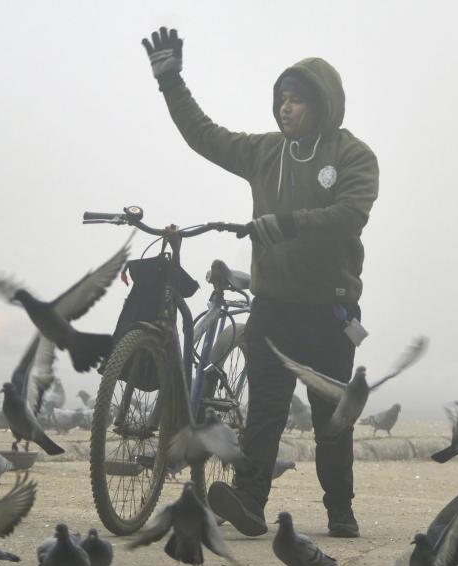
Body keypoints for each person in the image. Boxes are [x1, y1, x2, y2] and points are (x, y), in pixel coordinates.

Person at [142, 27, 379, 538]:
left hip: (330, 312)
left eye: (297, 100)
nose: (286, 109)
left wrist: (289, 222)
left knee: (331, 422)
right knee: (266, 411)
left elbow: (349, 214)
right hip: (273, 307)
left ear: (323, 106)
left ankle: (340, 509)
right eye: (281, 100)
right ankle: (249, 503)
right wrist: (170, 81)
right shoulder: (263, 153)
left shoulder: (354, 156)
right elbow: (204, 135)